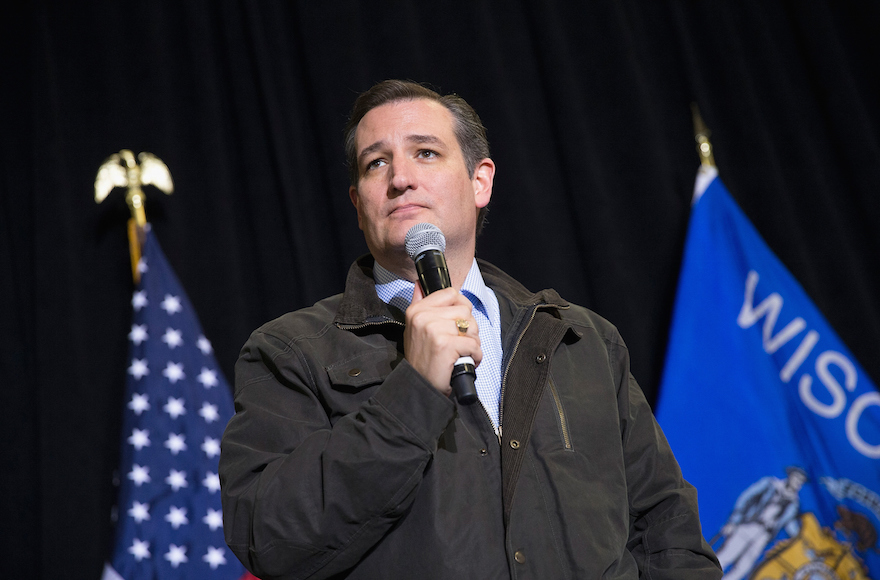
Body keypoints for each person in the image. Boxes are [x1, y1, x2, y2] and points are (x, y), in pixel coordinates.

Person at [219, 79, 722, 579]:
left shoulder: (580, 338)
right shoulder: (290, 351)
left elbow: (667, 531)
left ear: (480, 182)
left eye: (426, 153)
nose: (400, 178)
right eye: (377, 163)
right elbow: (269, 538)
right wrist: (412, 393)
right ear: (358, 203)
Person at [714, 467, 808, 580]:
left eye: (801, 481)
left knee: (743, 568)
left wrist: (801, 536)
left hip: (763, 536)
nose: (798, 483)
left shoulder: (794, 503)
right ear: (790, 476)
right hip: (749, 525)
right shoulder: (770, 484)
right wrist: (734, 521)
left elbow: (789, 523)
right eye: (797, 478)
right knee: (727, 555)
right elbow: (747, 498)